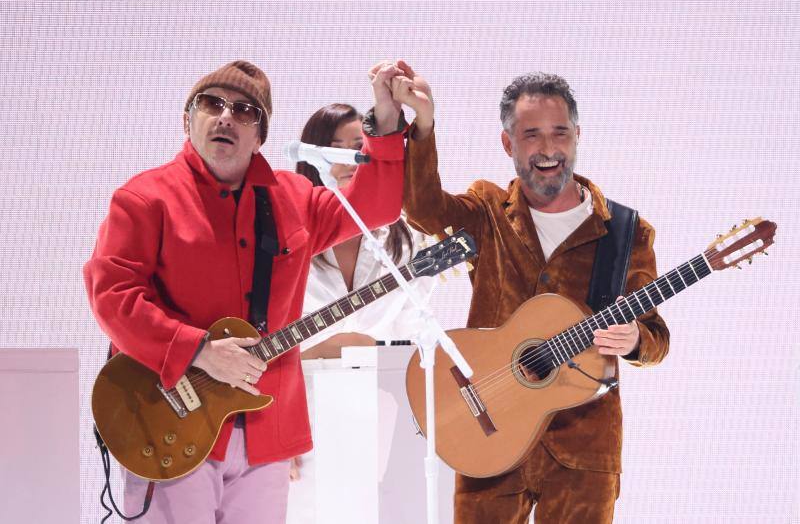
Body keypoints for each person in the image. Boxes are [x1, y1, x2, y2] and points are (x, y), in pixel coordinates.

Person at [83, 60, 407, 524]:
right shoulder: (144, 198)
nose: (226, 116)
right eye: (211, 104)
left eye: (244, 110)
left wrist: (387, 120)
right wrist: (197, 351)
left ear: (260, 135)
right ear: (187, 119)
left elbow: (374, 204)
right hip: (167, 418)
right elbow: (112, 296)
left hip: (265, 432)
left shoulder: (294, 199)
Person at [388, 61, 670, 523]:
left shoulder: (625, 232)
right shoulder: (486, 212)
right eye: (531, 134)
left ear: (577, 136)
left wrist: (637, 339)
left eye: (560, 133)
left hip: (584, 447)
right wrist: (423, 123)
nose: (548, 149)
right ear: (508, 143)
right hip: (487, 433)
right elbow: (422, 207)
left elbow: (656, 338)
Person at [286, 102, 436, 521]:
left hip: (380, 419)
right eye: (335, 149)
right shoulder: (287, 240)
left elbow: (412, 346)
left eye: (360, 147)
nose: (351, 160)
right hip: (302, 416)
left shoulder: (406, 246)